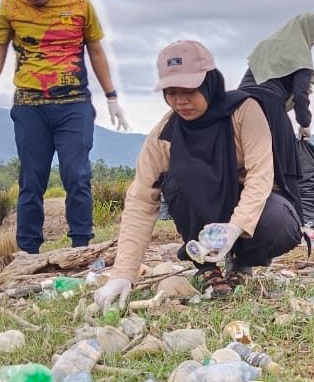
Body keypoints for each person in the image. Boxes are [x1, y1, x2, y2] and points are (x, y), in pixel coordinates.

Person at [93, 40, 302, 312]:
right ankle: (206, 267)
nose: (181, 101)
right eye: (171, 92)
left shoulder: (244, 112)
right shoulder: (164, 136)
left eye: (189, 90)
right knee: (177, 180)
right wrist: (122, 274)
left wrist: (236, 226)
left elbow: (260, 176)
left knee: (280, 223)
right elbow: (141, 201)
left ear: (208, 82)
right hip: (203, 212)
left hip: (248, 209)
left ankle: (243, 263)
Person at [0, 0, 128, 253]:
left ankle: (80, 247)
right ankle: (28, 253)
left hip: (73, 104)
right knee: (31, 180)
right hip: (30, 106)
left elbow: (96, 50)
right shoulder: (9, 7)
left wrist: (111, 97)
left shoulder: (79, 5)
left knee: (76, 174)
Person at [238, 13, 314, 224]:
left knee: (244, 164)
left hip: (239, 104)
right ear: (307, 34)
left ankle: (241, 220)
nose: (312, 44)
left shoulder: (267, 45)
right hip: (268, 105)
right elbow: (301, 94)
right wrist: (304, 123)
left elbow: (250, 78)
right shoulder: (299, 53)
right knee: (287, 165)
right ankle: (297, 227)